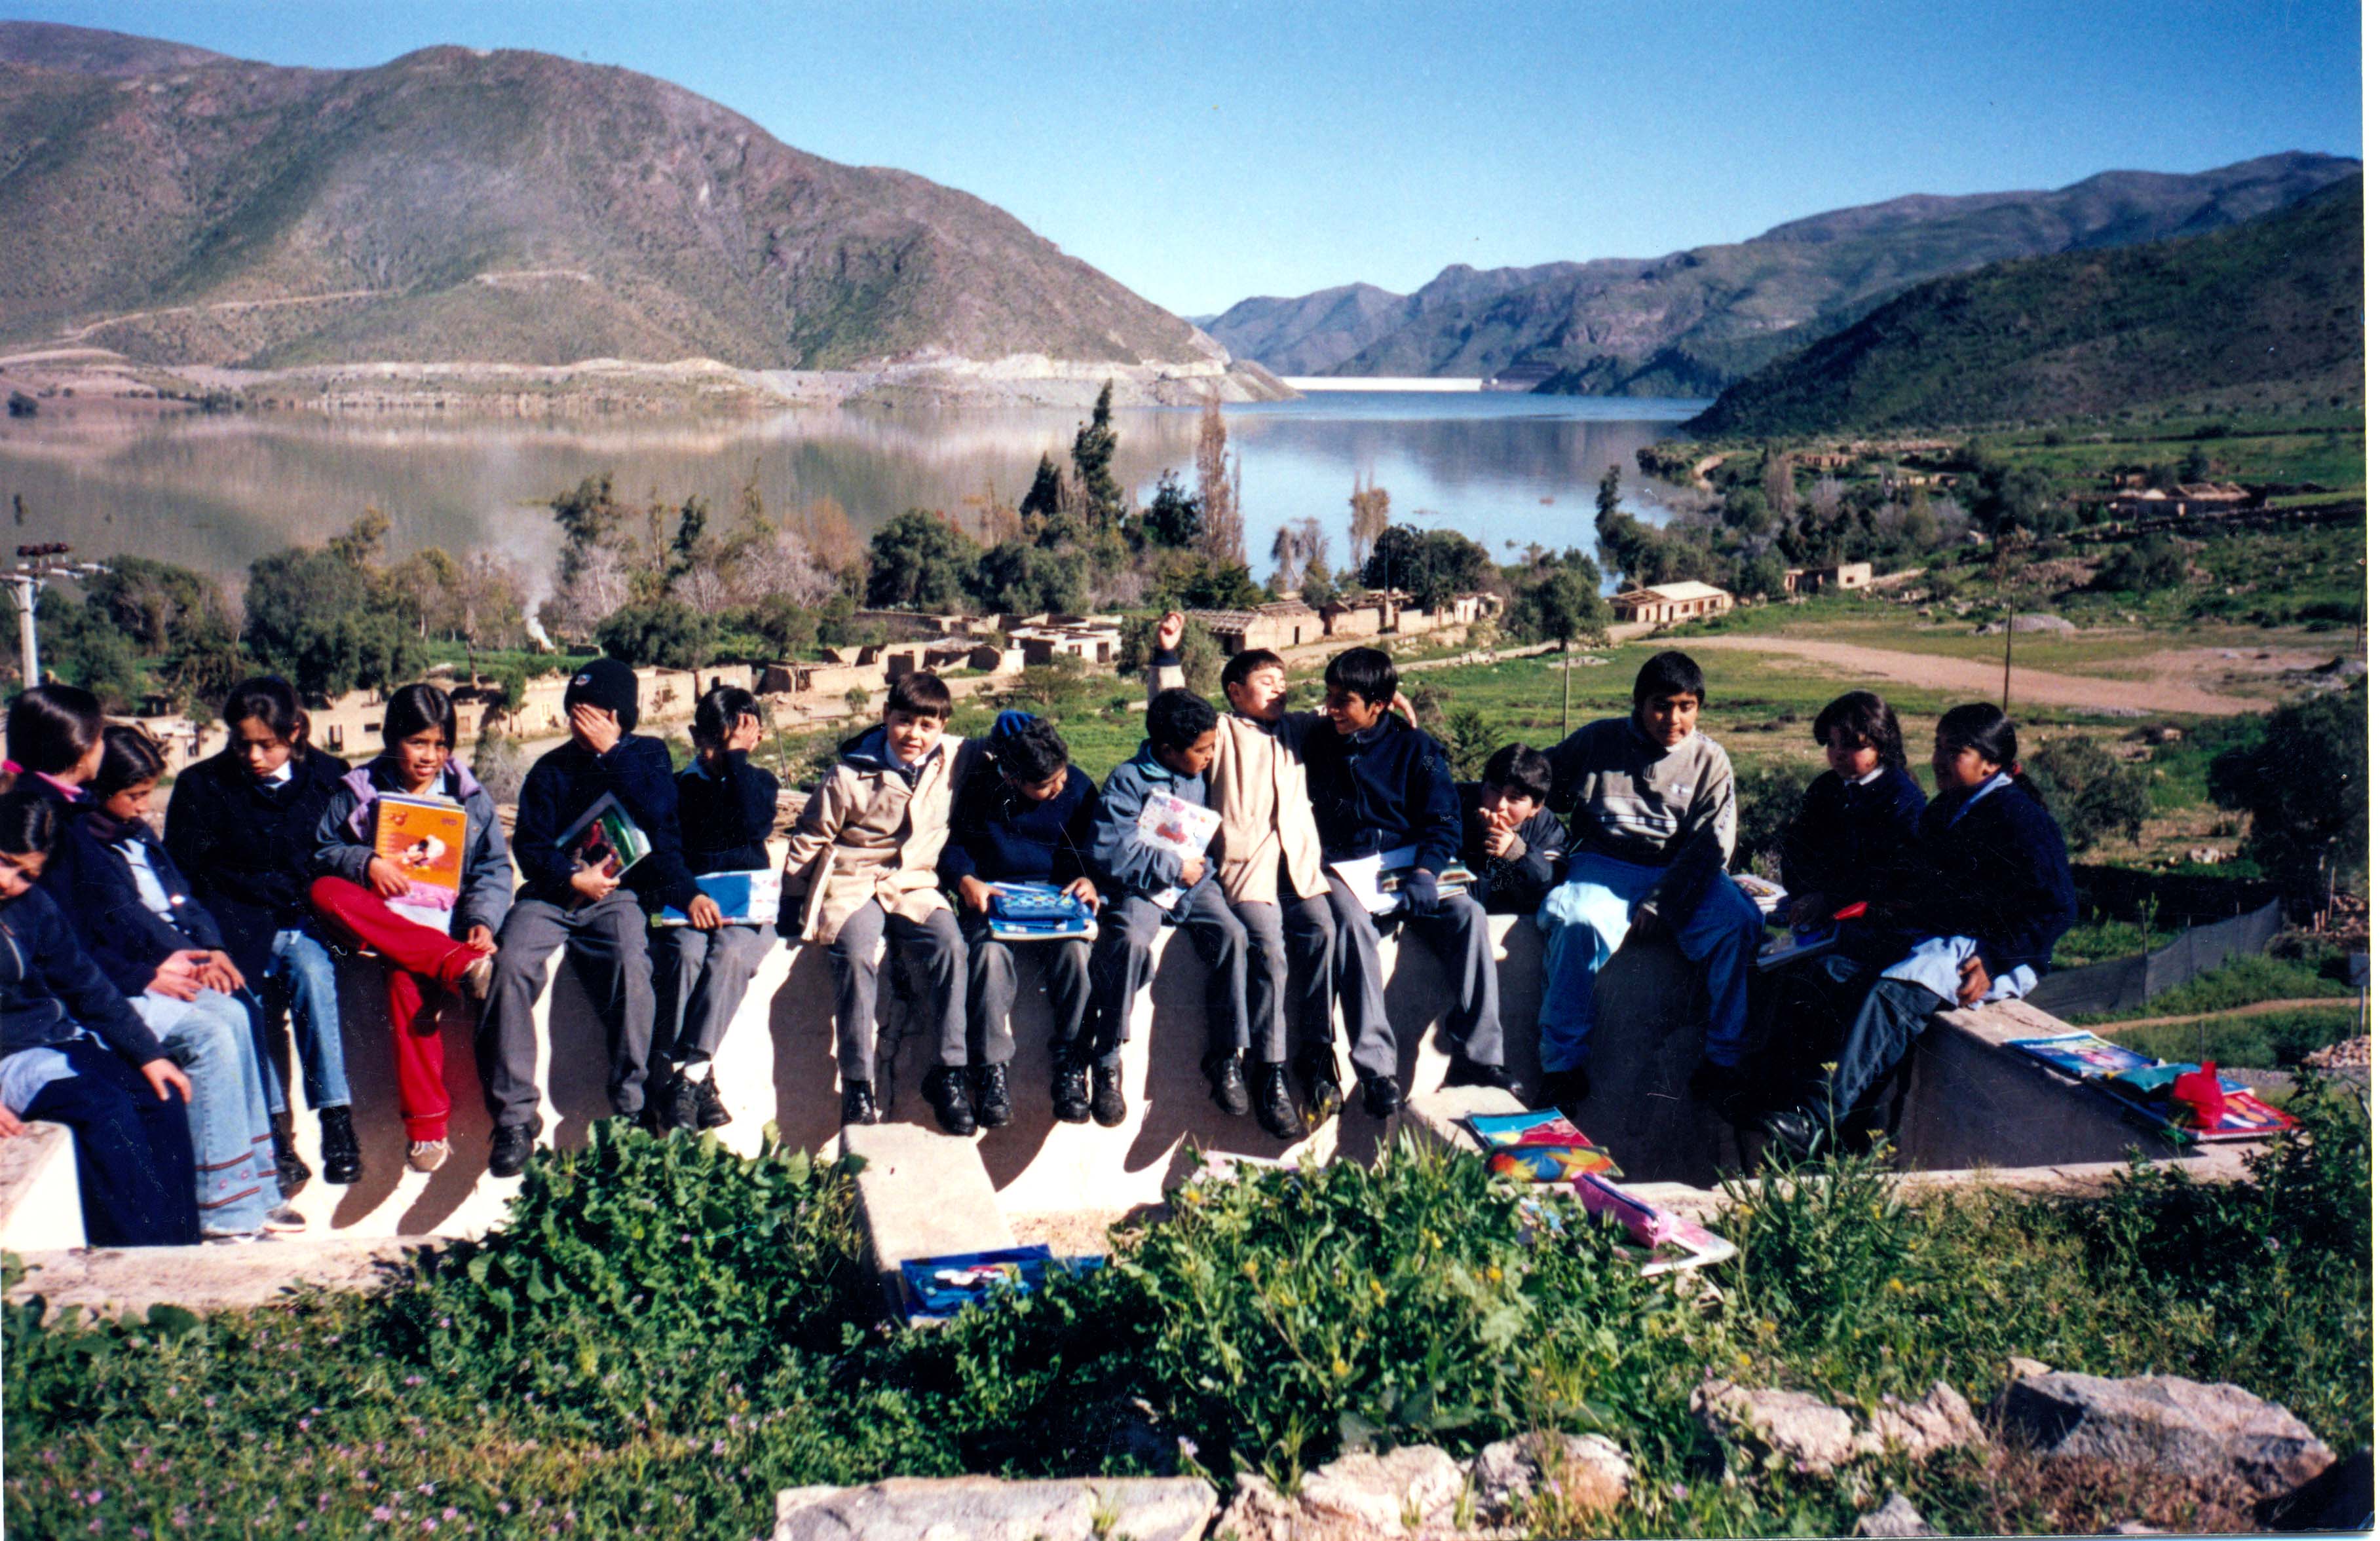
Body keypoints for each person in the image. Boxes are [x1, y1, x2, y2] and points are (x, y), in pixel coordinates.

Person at [1760, 703, 2077, 1158]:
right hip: (1936, 937)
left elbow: (2057, 909)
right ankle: (1812, 1110)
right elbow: (1911, 879)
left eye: (1955, 751)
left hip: (1988, 951)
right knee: (1829, 969)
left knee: (1894, 994)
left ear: (1989, 763)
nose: (1939, 760)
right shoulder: (1946, 810)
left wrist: (1996, 958)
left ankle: (1818, 1121)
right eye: (1937, 747)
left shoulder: (2020, 819)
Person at [58, 726, 303, 1238]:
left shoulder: (139, 836)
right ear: (102, 790)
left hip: (171, 968)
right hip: (130, 985)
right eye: (135, 796)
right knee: (210, 1036)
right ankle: (221, 1208)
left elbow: (183, 901)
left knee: (240, 1010)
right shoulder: (79, 847)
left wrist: (210, 948)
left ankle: (258, 1184)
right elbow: (102, 937)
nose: (147, 808)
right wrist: (163, 968)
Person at [481, 658, 698, 1176]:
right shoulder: (549, 768)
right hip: (553, 894)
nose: (583, 723)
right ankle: (514, 1119)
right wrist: (568, 877)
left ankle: (631, 1104)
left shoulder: (645, 756)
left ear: (620, 715)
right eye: (576, 713)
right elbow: (529, 845)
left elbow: (661, 813)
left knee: (631, 960)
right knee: (509, 965)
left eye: (596, 713)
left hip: (617, 893)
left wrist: (612, 755)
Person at [1535, 650, 1764, 1106]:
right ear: (1638, 703)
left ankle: (1723, 1059)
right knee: (1577, 923)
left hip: (1683, 870)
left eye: (1686, 706)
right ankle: (1560, 1064)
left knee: (1738, 923)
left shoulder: (1709, 760)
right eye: (1661, 704)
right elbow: (1536, 777)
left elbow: (1711, 846)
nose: (1673, 718)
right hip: (1605, 863)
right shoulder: (1599, 739)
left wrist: (1663, 903)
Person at [309, 683, 510, 1174]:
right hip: (383, 928)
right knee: (324, 893)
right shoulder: (359, 789)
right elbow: (323, 852)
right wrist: (367, 862)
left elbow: (493, 870)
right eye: (417, 742)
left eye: (441, 745)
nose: (430, 756)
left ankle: (426, 1129)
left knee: (407, 985)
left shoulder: (468, 797)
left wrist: (482, 921)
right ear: (392, 737)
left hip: (441, 931)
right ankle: (455, 966)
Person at [164, 677, 355, 1191]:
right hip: (232, 927)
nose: (252, 755)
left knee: (314, 977)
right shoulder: (202, 786)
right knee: (250, 1007)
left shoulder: (331, 778)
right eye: (241, 742)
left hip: (306, 922)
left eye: (266, 744)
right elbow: (180, 874)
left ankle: (337, 1122)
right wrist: (208, 941)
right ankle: (276, 1137)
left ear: (294, 732)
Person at [1144, 614, 1331, 1138]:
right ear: (1234, 691)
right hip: (1247, 871)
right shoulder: (1222, 731)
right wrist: (1166, 656)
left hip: (1299, 868)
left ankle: (1317, 1056)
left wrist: (1395, 711)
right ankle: (1268, 1070)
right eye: (1266, 682)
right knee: (1267, 948)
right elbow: (1173, 710)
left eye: (1283, 681)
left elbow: (1346, 716)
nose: (1279, 690)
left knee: (1323, 930)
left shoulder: (1298, 729)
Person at [1306, 646, 1513, 1118]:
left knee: (1469, 915)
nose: (1331, 708)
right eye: (1329, 696)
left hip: (1409, 867)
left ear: (1378, 705)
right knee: (1351, 929)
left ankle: (1482, 1055)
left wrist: (1426, 869)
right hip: (1345, 869)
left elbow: (1442, 819)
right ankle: (1376, 1068)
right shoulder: (1319, 742)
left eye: (1344, 700)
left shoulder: (1416, 750)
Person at [0, 784, 200, 1248]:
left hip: (56, 1043)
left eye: (27, 874)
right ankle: (132, 1267)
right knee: (104, 1110)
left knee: (161, 1095)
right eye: (6, 861)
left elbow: (86, 984)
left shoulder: (31, 906)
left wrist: (149, 1053)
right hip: (10, 1058)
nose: (10, 882)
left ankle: (182, 1259)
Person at [783, 670, 976, 1131]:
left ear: (943, 726)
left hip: (914, 881)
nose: (915, 734)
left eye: (927, 726)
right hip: (854, 881)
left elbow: (1008, 736)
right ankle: (857, 1083)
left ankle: (949, 1071)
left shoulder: (954, 757)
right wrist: (791, 903)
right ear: (885, 715)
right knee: (853, 953)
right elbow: (810, 838)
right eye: (904, 721)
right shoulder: (848, 773)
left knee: (951, 946)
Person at [1083, 686, 1248, 1128]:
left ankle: (1225, 1054)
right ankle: (1107, 1055)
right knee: (1132, 941)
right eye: (1202, 749)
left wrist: (1189, 872)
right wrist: (1170, 866)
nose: (1211, 755)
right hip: (1143, 888)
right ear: (1169, 750)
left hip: (1195, 888)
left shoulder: (1201, 773)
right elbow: (1108, 851)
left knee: (1232, 936)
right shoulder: (1127, 780)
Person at [939, 712, 1098, 1131]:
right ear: (1011, 778)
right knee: (988, 958)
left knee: (1078, 956)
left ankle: (1071, 1064)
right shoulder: (982, 789)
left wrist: (1089, 880)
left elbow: (1096, 850)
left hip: (1058, 900)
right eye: (1045, 785)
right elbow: (955, 847)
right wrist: (967, 880)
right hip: (998, 898)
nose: (1058, 788)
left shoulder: (1078, 788)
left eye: (1060, 776)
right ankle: (992, 1071)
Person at [649, 685, 780, 1132]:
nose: (714, 754)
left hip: (747, 912)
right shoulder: (677, 789)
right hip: (691, 907)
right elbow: (665, 852)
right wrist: (689, 895)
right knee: (684, 954)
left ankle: (688, 1075)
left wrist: (736, 761)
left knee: (731, 955)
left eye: (729, 743)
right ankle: (698, 1085)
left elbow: (752, 823)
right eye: (710, 742)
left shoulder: (758, 783)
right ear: (695, 737)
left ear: (752, 740)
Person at [1778, 692, 1927, 929]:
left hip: (1872, 921)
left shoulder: (1902, 798)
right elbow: (1796, 848)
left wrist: (1829, 899)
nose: (1838, 754)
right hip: (1811, 909)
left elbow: (1893, 875)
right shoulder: (1826, 787)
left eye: (1850, 745)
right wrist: (1804, 893)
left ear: (1881, 745)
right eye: (1831, 743)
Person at [1459, 744, 1570, 916]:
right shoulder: (1456, 804)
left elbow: (1549, 884)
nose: (1500, 805)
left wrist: (1517, 853)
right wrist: (1481, 836)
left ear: (1535, 807)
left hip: (1517, 926)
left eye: (1514, 798)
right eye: (1494, 790)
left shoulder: (1548, 829)